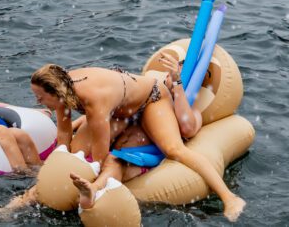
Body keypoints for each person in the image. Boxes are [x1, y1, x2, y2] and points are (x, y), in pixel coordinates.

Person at [28, 64, 245, 221]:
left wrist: (95, 177)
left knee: (174, 149)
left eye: (40, 98)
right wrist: (55, 168)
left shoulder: (94, 99)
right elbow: (64, 135)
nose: (38, 101)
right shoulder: (63, 91)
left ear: (56, 92)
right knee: (76, 151)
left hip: (150, 99)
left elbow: (100, 152)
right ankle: (24, 199)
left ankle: (230, 197)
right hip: (119, 108)